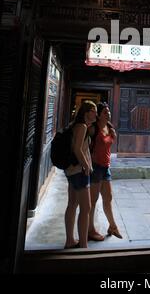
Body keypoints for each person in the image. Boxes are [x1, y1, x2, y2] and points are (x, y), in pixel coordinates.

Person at [64, 100, 97, 248]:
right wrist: (87, 166)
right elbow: (78, 149)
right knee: (86, 208)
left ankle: (70, 240)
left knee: (72, 204)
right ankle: (83, 245)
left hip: (71, 170)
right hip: (79, 171)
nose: (95, 113)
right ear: (86, 112)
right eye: (93, 110)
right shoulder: (82, 126)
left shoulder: (75, 125)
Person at [88, 102, 123, 241]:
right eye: (105, 112)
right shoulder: (93, 129)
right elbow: (85, 145)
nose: (108, 114)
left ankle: (112, 226)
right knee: (93, 200)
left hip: (106, 167)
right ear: (99, 115)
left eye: (108, 112)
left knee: (108, 198)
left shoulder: (110, 128)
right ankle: (90, 229)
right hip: (95, 167)